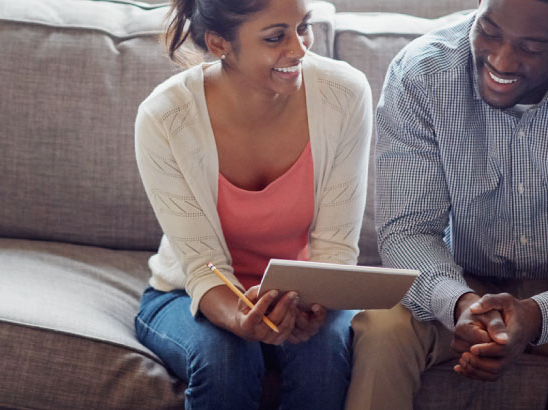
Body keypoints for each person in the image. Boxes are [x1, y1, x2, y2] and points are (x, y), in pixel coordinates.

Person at [345, 0, 548, 408]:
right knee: (381, 326)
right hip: (463, 288)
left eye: (532, 47)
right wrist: (459, 304)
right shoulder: (421, 74)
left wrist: (540, 315)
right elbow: (407, 232)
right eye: (488, 31)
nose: (502, 60)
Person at [132, 0, 373, 407]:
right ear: (219, 42)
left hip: (306, 294)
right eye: (275, 37)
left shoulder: (345, 94)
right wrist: (242, 320)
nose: (299, 49)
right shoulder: (165, 117)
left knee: (325, 358)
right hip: (189, 295)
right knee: (225, 358)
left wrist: (310, 304)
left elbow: (335, 248)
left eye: (304, 27)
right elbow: (201, 266)